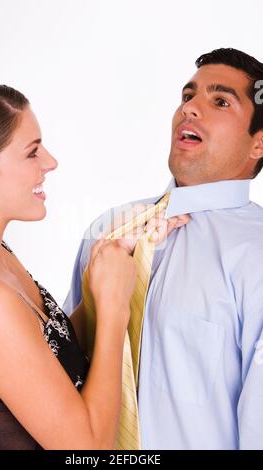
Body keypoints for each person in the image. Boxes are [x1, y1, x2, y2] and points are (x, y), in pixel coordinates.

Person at [0, 79, 188, 450]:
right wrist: (114, 310)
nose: (50, 162)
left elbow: (54, 355)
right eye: (32, 152)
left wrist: (108, 264)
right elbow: (88, 450)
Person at [63, 48, 263, 450]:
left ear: (258, 145)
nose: (189, 109)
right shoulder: (109, 230)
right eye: (187, 96)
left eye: (220, 101)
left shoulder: (256, 254)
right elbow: (67, 364)